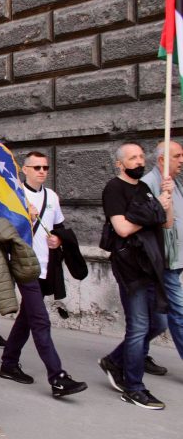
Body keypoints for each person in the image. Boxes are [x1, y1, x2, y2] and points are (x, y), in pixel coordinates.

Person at [0, 151, 88, 397]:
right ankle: (57, 377)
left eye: (45, 167)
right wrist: (24, 217)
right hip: (23, 264)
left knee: (28, 316)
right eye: (36, 167)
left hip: (45, 266)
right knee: (40, 320)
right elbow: (2, 230)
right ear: (24, 170)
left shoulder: (52, 197)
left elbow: (59, 227)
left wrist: (58, 239)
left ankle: (8, 363)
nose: (42, 171)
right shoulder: (15, 195)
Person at [99, 142, 172, 410]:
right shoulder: (114, 189)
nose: (139, 161)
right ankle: (134, 387)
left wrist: (166, 201)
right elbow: (122, 228)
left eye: (141, 156)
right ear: (120, 163)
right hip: (131, 268)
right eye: (133, 158)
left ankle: (114, 360)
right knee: (139, 327)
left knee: (159, 323)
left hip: (152, 265)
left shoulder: (143, 188)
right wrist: (154, 211)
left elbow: (166, 223)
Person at [142, 141, 183, 361]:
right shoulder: (149, 184)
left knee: (156, 317)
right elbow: (149, 223)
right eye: (177, 156)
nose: (182, 160)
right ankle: (125, 356)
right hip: (165, 260)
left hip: (176, 259)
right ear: (162, 160)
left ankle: (137, 352)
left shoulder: (175, 182)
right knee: (178, 313)